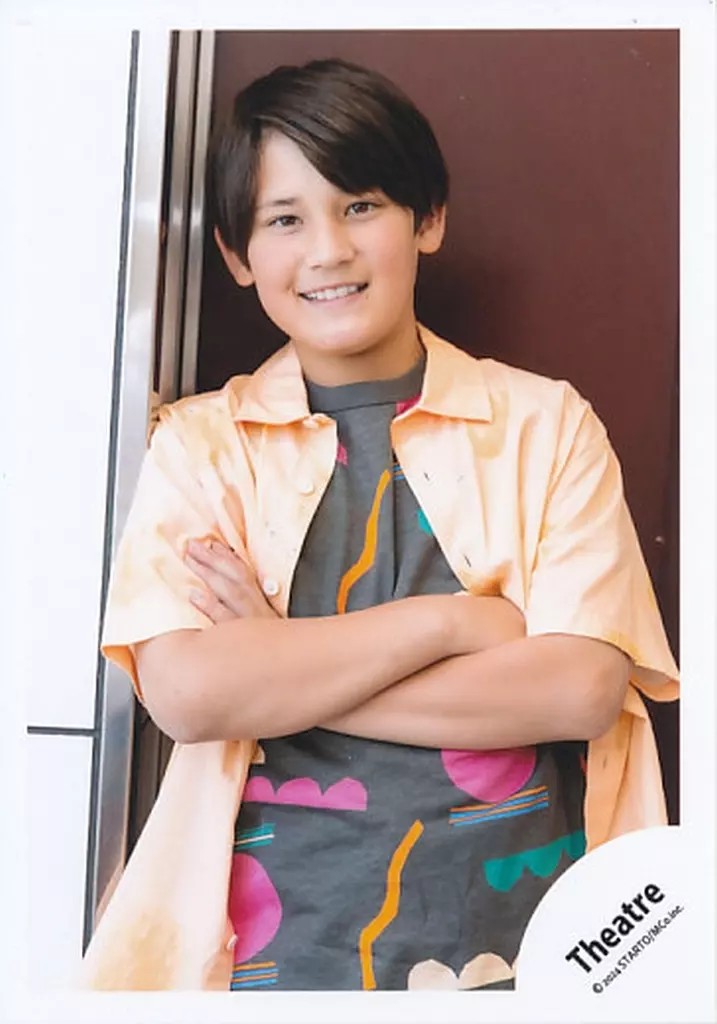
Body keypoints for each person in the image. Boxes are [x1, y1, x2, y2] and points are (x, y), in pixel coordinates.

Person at [80, 58, 679, 992]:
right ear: (237, 255)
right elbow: (190, 695)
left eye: (359, 205)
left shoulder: (547, 424)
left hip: (532, 954)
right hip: (265, 960)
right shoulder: (201, 445)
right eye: (284, 220)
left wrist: (278, 661)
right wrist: (451, 623)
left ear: (426, 219)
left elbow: (577, 690)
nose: (326, 250)